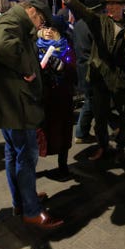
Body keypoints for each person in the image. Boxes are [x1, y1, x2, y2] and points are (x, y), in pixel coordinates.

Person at [0, 0, 64, 230]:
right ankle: (31, 210)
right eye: (40, 20)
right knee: (26, 158)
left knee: (15, 155)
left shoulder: (12, 23)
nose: (40, 26)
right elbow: (1, 47)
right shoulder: (10, 23)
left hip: (13, 105)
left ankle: (22, 200)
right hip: (18, 107)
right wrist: (27, 68)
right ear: (31, 11)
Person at [54, 0, 125, 162]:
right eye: (109, 4)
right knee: (100, 117)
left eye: (115, 4)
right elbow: (84, 12)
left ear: (123, 6)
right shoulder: (100, 21)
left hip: (121, 79)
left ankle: (121, 148)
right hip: (100, 78)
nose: (111, 7)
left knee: (124, 117)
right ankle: (103, 147)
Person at [36, 14, 77, 182]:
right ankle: (31, 170)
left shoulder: (66, 47)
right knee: (40, 135)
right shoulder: (35, 47)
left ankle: (63, 166)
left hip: (61, 98)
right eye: (46, 28)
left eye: (53, 29)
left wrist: (63, 67)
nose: (48, 32)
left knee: (63, 132)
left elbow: (74, 72)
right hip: (42, 99)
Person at [73, 0, 103, 144]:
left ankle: (83, 131)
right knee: (91, 101)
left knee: (90, 99)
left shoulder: (78, 24)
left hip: (81, 67)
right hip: (92, 68)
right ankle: (81, 132)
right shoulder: (93, 23)